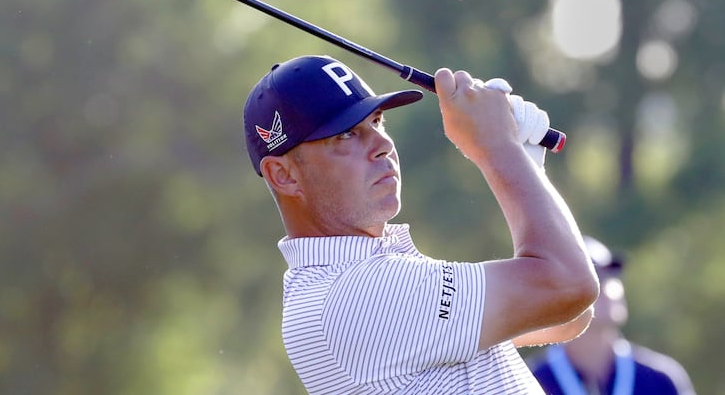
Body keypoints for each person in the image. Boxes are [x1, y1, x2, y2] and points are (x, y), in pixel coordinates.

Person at [243, 54, 600, 394]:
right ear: (284, 175)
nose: (382, 144)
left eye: (377, 122)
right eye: (346, 135)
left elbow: (567, 314)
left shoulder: (352, 281)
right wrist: (496, 147)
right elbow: (568, 286)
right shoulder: (356, 295)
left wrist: (526, 168)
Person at [529, 235, 696, 394]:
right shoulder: (529, 382)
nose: (611, 288)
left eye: (612, 275)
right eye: (596, 277)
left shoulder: (661, 379)